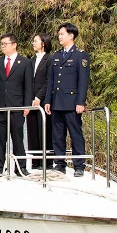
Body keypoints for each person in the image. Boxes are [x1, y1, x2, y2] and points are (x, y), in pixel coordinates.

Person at [44, 23, 91, 177]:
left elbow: (83, 81)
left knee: (75, 134)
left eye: (62, 34)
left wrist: (80, 102)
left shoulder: (80, 55)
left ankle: (79, 165)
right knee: (57, 135)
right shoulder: (57, 56)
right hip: (57, 101)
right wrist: (48, 100)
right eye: (59, 34)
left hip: (71, 102)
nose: (59, 37)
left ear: (71, 36)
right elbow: (51, 81)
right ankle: (59, 164)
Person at [0, 33, 33, 176]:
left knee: (17, 138)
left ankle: (21, 167)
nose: (3, 46)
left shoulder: (24, 62)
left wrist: (27, 105)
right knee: (0, 138)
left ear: (14, 44)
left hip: (17, 106)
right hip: (0, 105)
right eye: (2, 44)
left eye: (6, 44)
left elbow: (28, 86)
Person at [26, 33, 53, 169]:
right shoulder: (31, 61)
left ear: (43, 43)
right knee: (32, 131)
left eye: (36, 41)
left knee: (45, 130)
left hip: (43, 100)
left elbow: (49, 81)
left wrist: (38, 97)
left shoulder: (50, 59)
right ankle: (35, 161)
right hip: (31, 100)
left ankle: (47, 162)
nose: (33, 43)